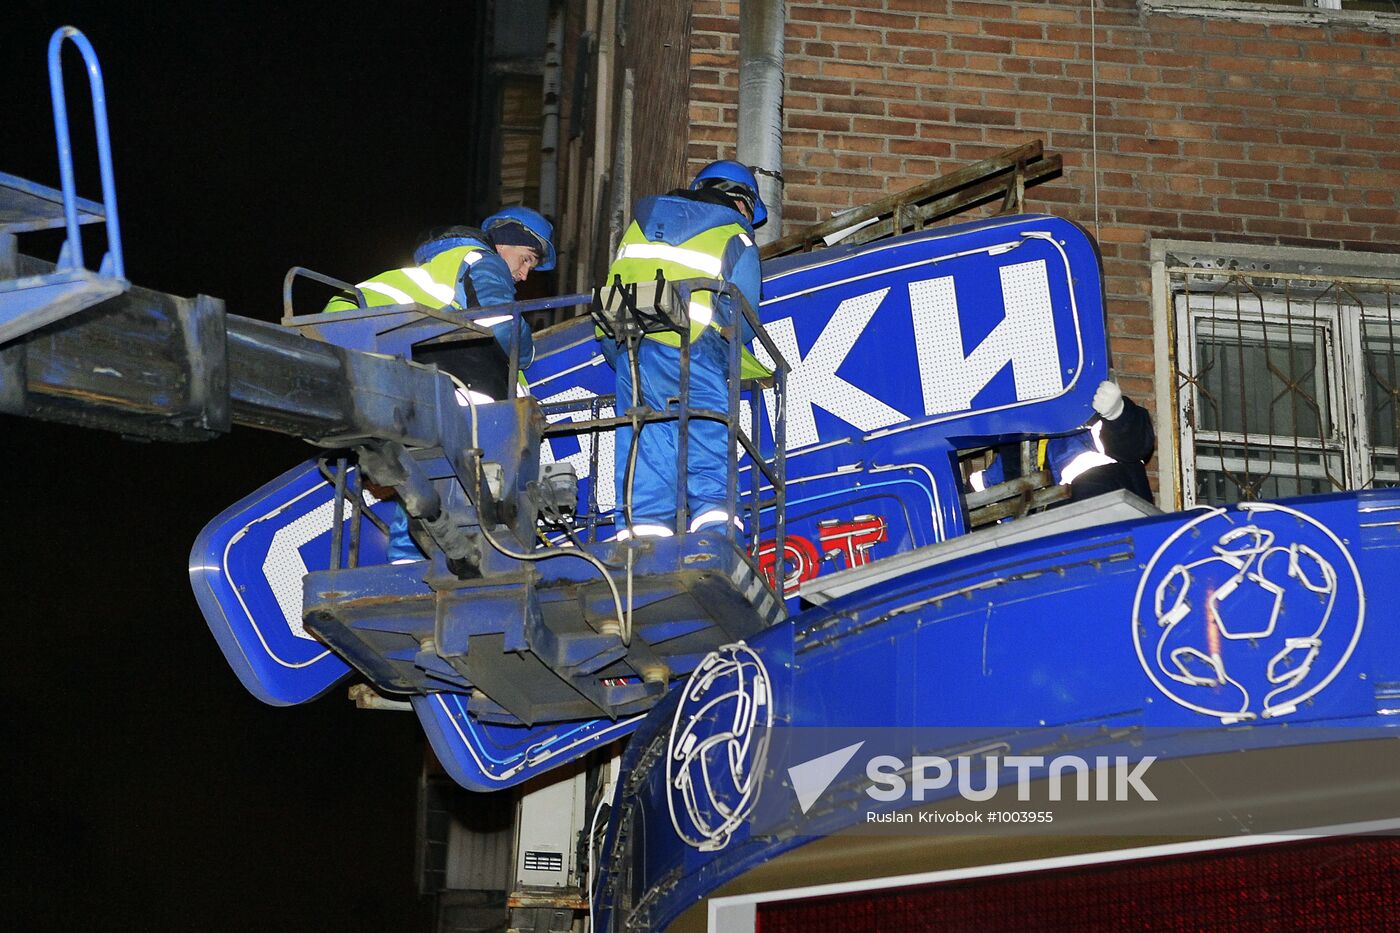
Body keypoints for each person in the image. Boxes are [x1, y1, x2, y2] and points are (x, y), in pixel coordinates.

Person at [324, 207, 556, 563]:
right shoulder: (481, 259)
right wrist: (527, 351)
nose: (524, 275)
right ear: (505, 244)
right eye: (525, 260)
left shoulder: (440, 272)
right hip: (438, 375)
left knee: (421, 474)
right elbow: (501, 322)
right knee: (457, 478)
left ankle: (407, 559)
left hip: (387, 367)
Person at [598, 160, 768, 539]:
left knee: (646, 439)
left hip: (632, 349)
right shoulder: (734, 235)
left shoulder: (639, 229)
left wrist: (622, 354)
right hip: (694, 349)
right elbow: (744, 318)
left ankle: (643, 534)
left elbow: (611, 294)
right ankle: (715, 527)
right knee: (707, 431)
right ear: (741, 202)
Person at [1044, 379, 1155, 504]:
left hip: (1117, 511)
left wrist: (1117, 414)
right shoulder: (1029, 436)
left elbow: (1135, 445)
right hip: (1065, 517)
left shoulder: (1089, 411)